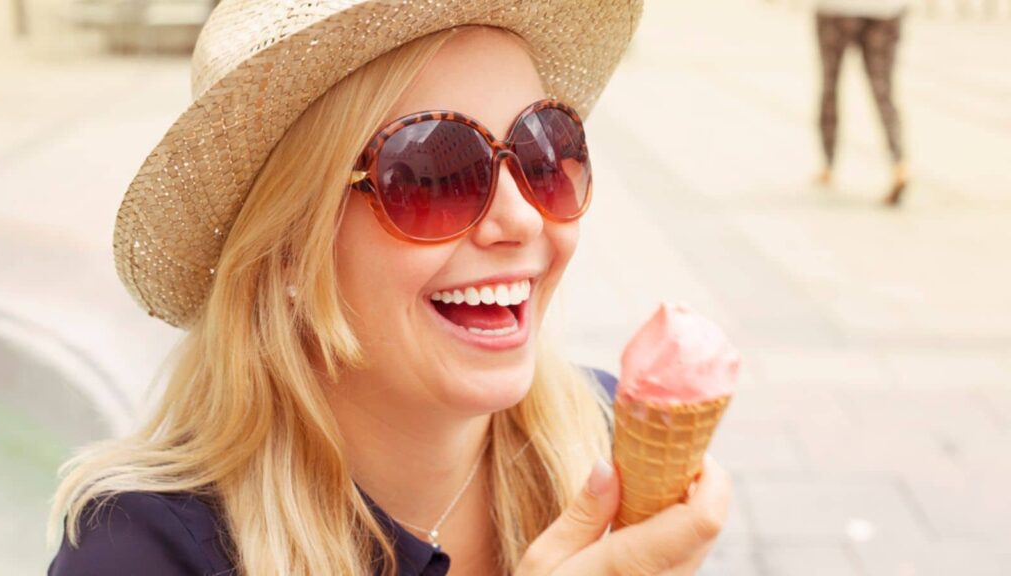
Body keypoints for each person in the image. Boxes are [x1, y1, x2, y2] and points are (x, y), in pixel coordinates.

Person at [47, 1, 732, 575]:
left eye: (543, 154)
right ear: (288, 251)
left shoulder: (608, 435)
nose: (522, 217)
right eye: (434, 173)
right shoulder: (138, 552)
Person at [814, 0, 910, 205]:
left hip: (836, 10)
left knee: (830, 84)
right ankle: (899, 164)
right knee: (883, 89)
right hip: (886, 10)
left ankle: (828, 165)